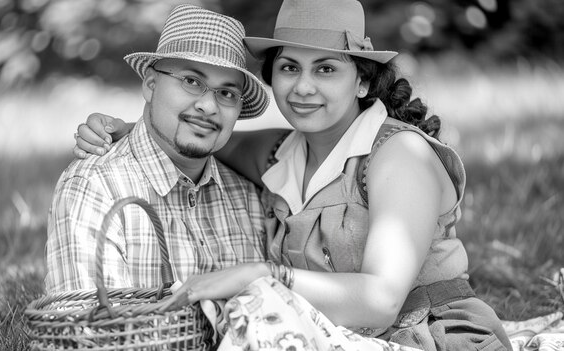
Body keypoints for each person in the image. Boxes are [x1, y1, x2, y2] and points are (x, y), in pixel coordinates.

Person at [73, 0, 512, 350]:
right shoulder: (276, 152)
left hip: (429, 334)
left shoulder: (398, 154)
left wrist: (259, 275)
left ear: (362, 83)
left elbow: (382, 301)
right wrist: (123, 129)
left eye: (325, 69)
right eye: (289, 68)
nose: (303, 87)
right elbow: (202, 135)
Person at [45, 4, 272, 294]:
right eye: (192, 81)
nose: (208, 106)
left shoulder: (248, 196)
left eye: (226, 93)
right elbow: (88, 328)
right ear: (151, 85)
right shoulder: (96, 188)